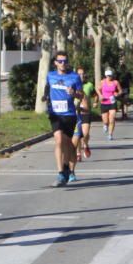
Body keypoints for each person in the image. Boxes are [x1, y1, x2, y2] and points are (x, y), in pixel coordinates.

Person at [43, 51, 82, 187]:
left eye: (65, 61)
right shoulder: (50, 75)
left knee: (68, 144)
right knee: (59, 140)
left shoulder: (74, 77)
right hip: (55, 114)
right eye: (60, 61)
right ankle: (61, 173)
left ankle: (67, 167)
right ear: (55, 63)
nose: (62, 63)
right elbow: (47, 89)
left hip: (69, 115)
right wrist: (45, 97)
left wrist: (74, 93)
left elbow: (81, 96)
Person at [73, 66, 96, 161]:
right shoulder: (72, 85)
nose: (81, 76)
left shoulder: (89, 85)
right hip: (75, 113)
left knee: (85, 134)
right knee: (77, 135)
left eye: (83, 74)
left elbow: (95, 95)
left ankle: (85, 144)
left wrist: (95, 102)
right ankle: (78, 153)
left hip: (85, 112)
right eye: (79, 74)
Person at [98, 68, 122, 141]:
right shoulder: (102, 82)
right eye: (108, 76)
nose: (109, 77)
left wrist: (117, 94)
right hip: (104, 102)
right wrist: (100, 95)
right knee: (106, 121)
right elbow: (98, 89)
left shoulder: (115, 82)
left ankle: (110, 134)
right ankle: (105, 125)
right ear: (105, 76)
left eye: (110, 75)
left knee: (112, 119)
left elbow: (120, 91)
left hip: (112, 102)